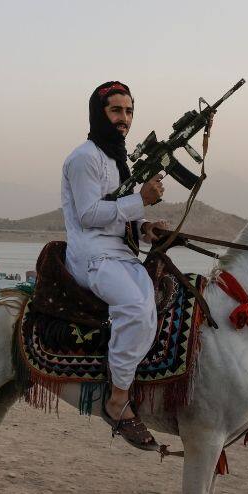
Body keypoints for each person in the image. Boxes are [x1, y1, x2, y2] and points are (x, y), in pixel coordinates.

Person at [61, 81, 168, 450]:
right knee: (137, 310)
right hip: (91, 256)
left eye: (129, 111)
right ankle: (117, 401)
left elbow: (119, 215)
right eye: (116, 111)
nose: (124, 119)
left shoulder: (118, 160)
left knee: (156, 306)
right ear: (99, 113)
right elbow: (90, 215)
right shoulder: (84, 158)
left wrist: (146, 229)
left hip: (120, 254)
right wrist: (140, 200)